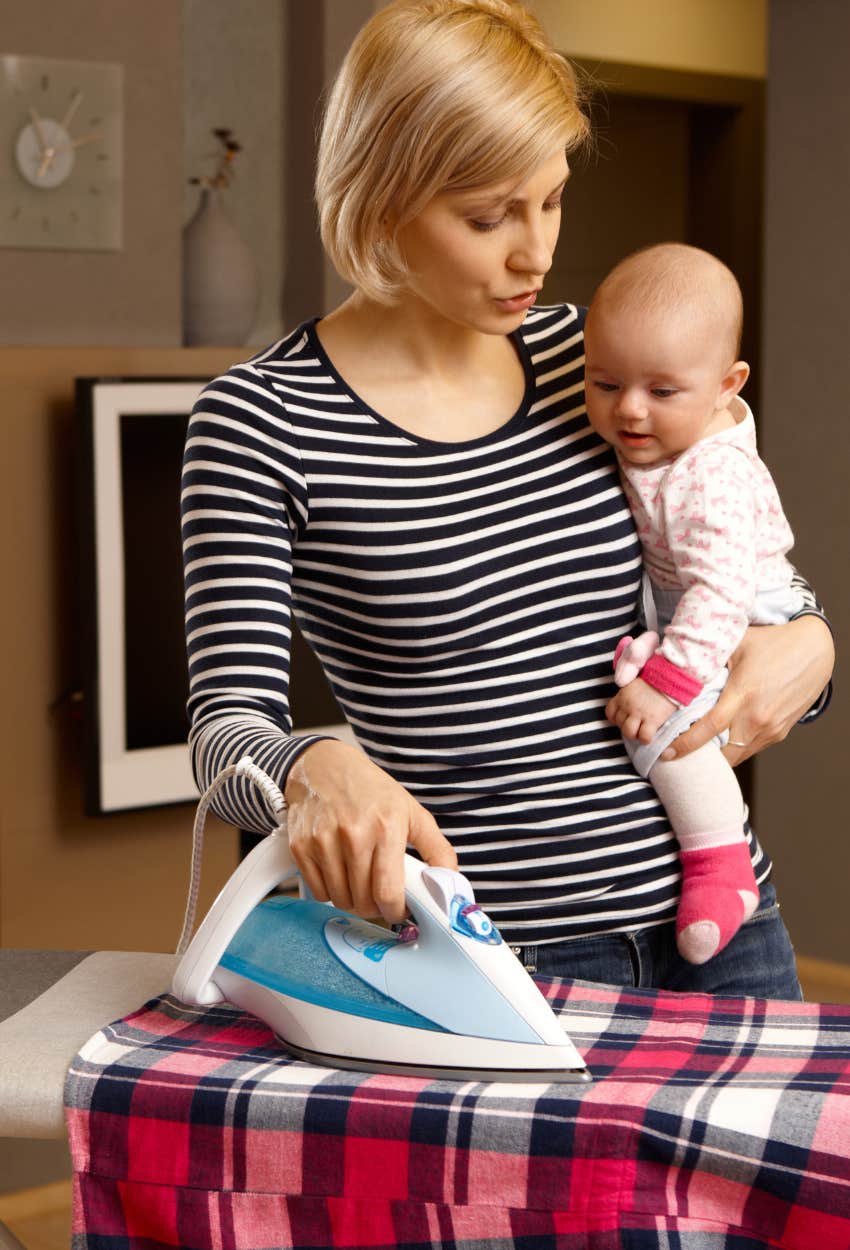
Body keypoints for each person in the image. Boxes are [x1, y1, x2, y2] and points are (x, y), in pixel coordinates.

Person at [181, 0, 833, 998]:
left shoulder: (598, 365)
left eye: (552, 199)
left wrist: (812, 645)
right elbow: (225, 729)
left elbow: (733, 553)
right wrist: (315, 760)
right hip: (491, 964)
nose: (535, 251)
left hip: (724, 928)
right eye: (489, 216)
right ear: (380, 193)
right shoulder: (263, 419)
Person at [583, 242, 812, 966]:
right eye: (604, 382)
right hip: (699, 610)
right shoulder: (659, 433)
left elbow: (720, 591)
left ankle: (720, 862)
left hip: (739, 610)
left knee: (668, 727)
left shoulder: (707, 474)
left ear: (726, 384)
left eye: (662, 391)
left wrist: (668, 679)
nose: (628, 409)